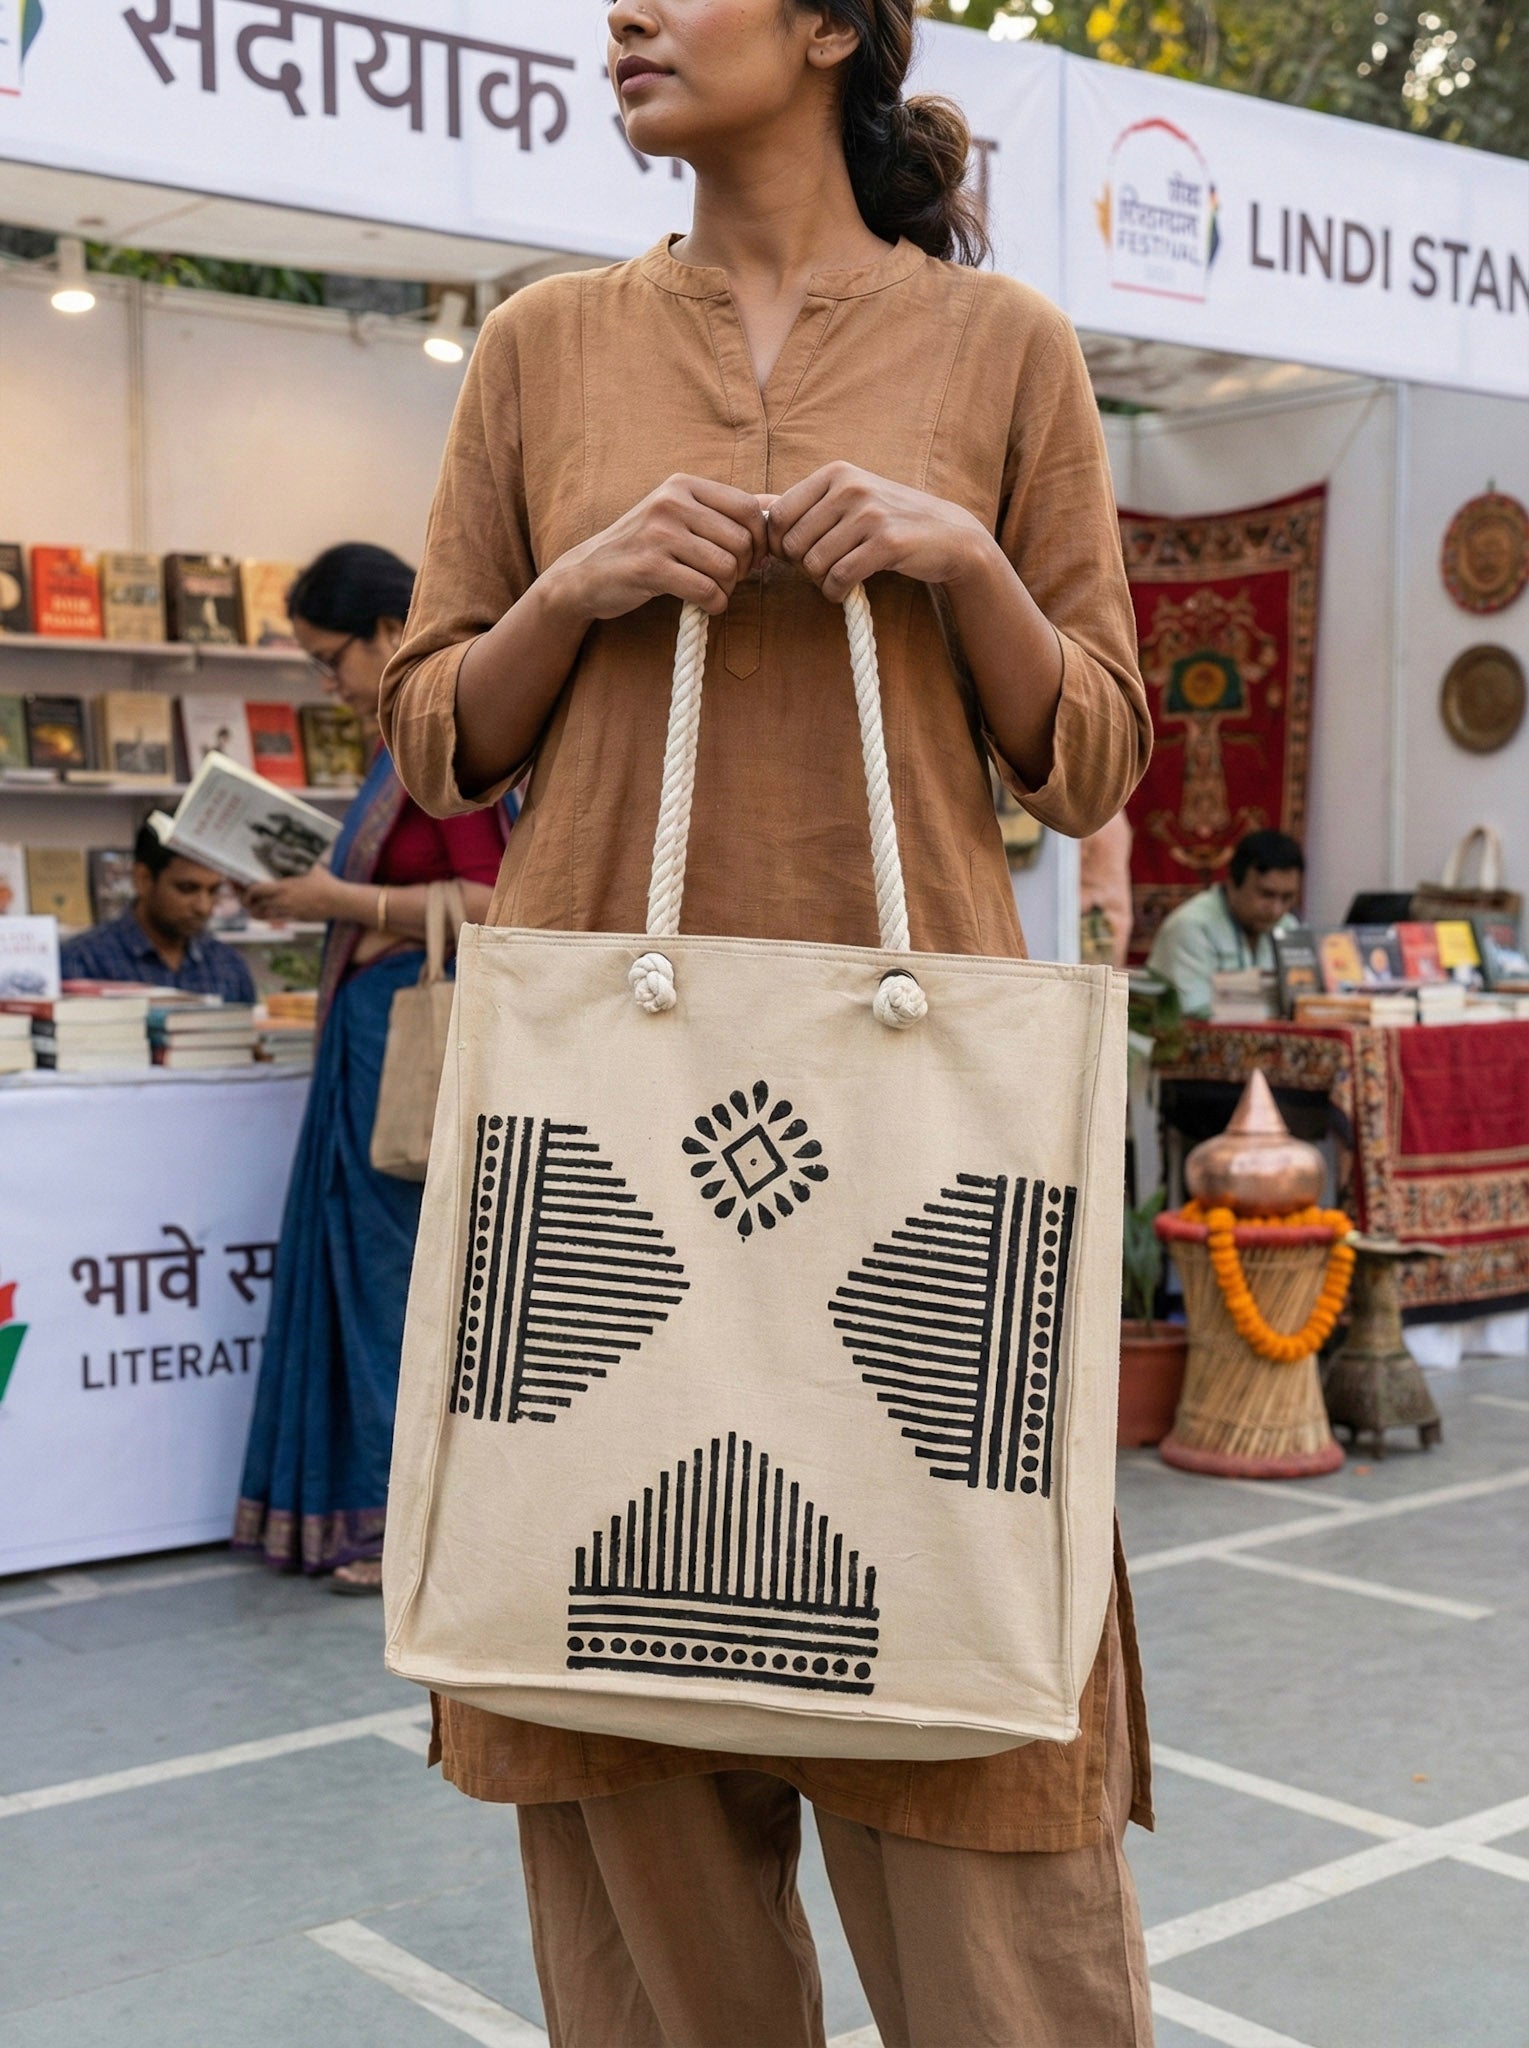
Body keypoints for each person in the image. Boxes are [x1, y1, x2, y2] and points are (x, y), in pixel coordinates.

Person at [380, 4, 1155, 2041]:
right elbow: (435, 734)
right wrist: (577, 588)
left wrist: (959, 558)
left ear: (828, 26)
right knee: (616, 1758)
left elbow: (1090, 753)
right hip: (598, 1138)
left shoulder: (998, 349)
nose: (620, 16)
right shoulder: (544, 346)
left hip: (920, 1142)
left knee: (978, 1759)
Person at [234, 545, 515, 1594]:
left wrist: (339, 902)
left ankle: (400, 1529)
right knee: (362, 1268)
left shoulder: (443, 742)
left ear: (392, 630)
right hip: (371, 1034)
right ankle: (364, 1517)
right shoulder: (398, 749)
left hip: (408, 1040)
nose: (330, 684)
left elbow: (501, 898)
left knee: (394, 1277)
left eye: (331, 657)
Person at [60, 825, 256, 1001]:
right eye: (187, 888)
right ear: (143, 879)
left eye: (213, 890)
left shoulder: (229, 965)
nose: (203, 907)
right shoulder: (83, 961)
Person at [1147, 828, 1305, 1019]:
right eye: (1266, 894)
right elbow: (1194, 1016)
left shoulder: (1287, 927)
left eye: (1287, 897)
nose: (1276, 910)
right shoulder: (1190, 927)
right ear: (1232, 882)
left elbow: (1304, 1003)